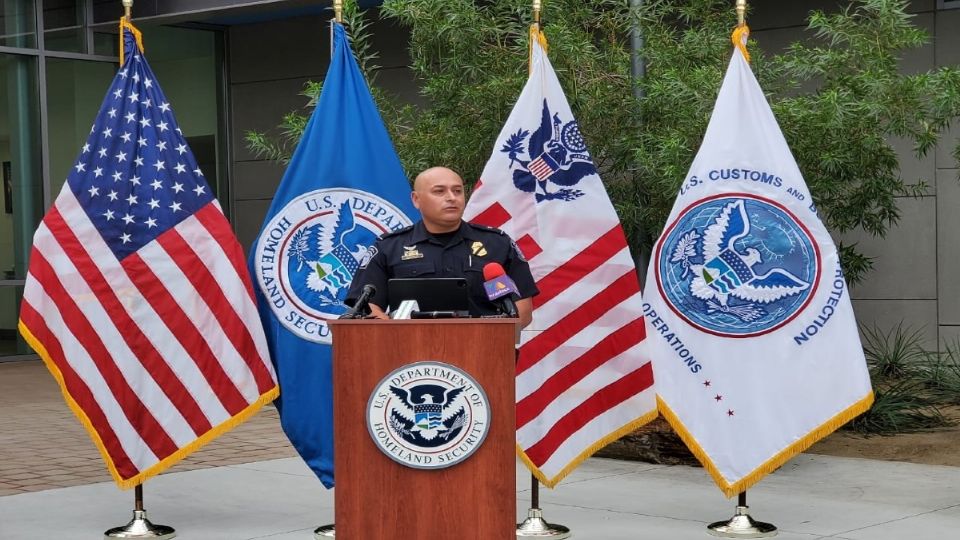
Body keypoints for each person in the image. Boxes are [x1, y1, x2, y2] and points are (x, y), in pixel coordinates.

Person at [346, 166, 538, 328]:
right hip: (409, 358)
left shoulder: (496, 244)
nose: (451, 198)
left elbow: (521, 309)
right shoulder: (390, 247)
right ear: (416, 199)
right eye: (439, 191)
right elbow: (368, 306)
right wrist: (394, 333)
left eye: (457, 191)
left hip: (483, 355)